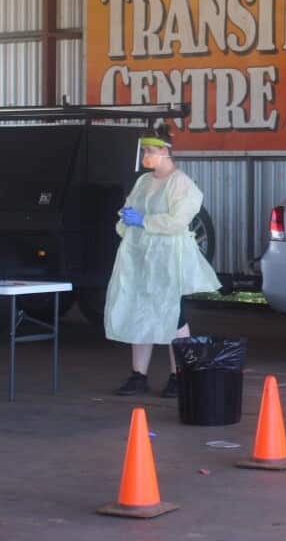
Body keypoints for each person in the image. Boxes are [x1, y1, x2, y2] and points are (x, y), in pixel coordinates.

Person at [105, 124, 221, 397]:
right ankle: (138, 375)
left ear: (165, 151)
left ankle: (178, 374)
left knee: (173, 313)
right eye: (144, 150)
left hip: (168, 256)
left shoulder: (181, 184)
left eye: (151, 150)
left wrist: (144, 221)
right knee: (139, 310)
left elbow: (177, 220)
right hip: (140, 255)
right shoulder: (144, 182)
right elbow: (128, 210)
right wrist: (128, 219)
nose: (146, 155)